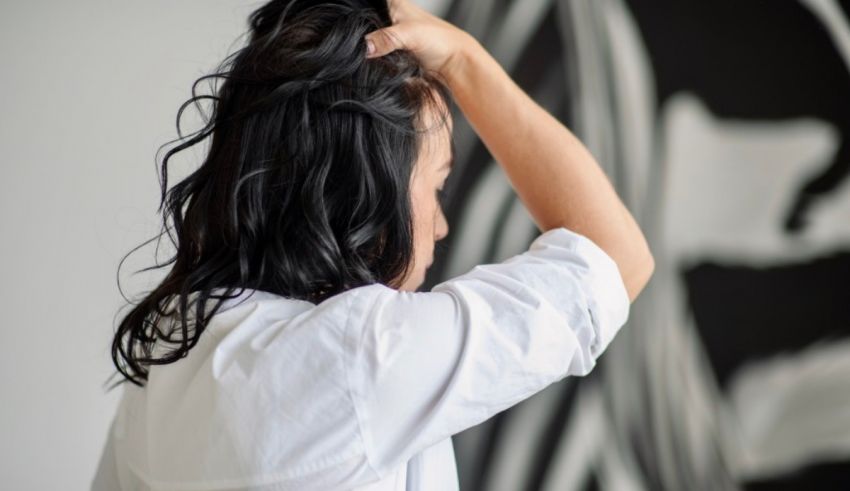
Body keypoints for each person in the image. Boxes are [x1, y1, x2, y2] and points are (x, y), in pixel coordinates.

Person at [91, 0, 655, 489]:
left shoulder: (169, 348)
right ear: (362, 193)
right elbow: (615, 257)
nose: (441, 226)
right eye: (436, 187)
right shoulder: (362, 356)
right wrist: (463, 59)